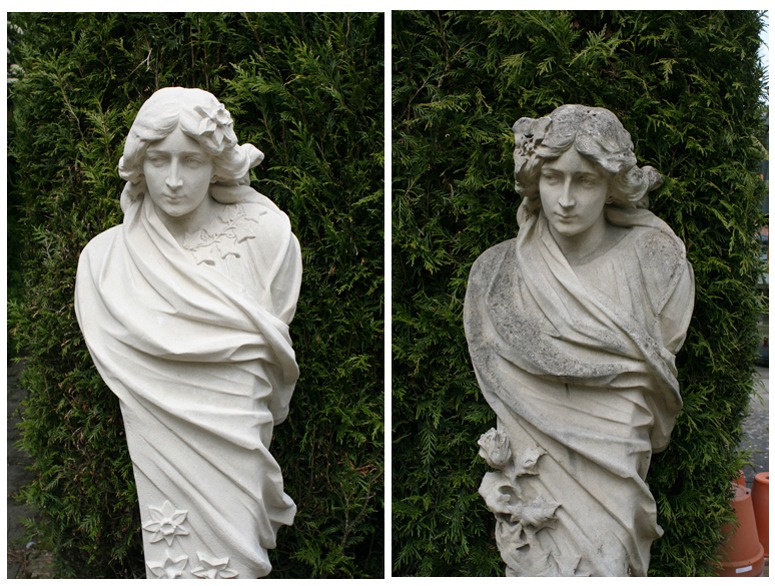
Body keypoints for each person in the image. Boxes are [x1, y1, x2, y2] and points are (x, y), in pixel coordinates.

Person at [75, 87, 302, 578]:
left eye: (192, 161)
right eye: (159, 161)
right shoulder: (103, 260)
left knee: (234, 561)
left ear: (218, 163)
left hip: (237, 435)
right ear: (140, 163)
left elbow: (274, 332)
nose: (174, 181)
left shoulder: (267, 237)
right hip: (158, 435)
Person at [464, 105, 694, 577]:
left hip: (617, 465)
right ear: (535, 180)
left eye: (585, 181)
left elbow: (665, 340)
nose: (565, 199)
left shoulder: (656, 263)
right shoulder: (496, 274)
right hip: (534, 473)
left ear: (612, 184)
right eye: (552, 179)